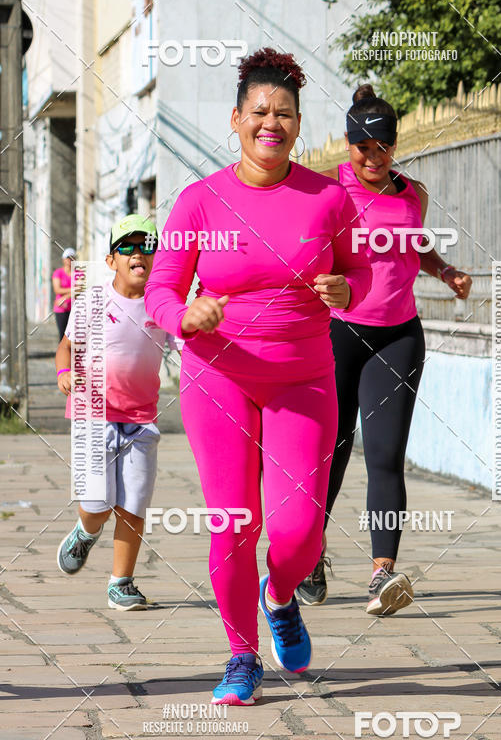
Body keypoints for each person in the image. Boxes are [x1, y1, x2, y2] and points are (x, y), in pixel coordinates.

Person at [145, 49, 372, 706]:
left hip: (304, 377)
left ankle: (280, 597)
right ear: (237, 120)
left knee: (300, 532)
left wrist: (343, 289)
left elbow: (362, 274)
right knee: (232, 523)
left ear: (298, 124)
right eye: (260, 113)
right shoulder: (200, 202)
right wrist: (187, 313)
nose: (272, 123)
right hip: (217, 377)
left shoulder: (328, 197)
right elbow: (161, 290)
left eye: (285, 114)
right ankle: (241, 656)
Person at [296, 84, 472, 615]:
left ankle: (383, 575)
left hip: (398, 335)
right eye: (364, 148)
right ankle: (309, 556)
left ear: (394, 145)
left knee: (386, 455)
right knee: (331, 450)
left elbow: (416, 244)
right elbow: (304, 251)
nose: (374, 158)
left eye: (383, 147)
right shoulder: (327, 190)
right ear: (348, 144)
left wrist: (444, 271)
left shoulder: (410, 192)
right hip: (337, 334)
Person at [55, 215, 181, 610]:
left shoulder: (163, 306)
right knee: (98, 506)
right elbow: (67, 345)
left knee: (133, 505)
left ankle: (121, 582)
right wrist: (64, 370)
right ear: (111, 260)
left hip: (141, 420)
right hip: (92, 414)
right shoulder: (93, 299)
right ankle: (85, 531)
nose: (138, 253)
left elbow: (188, 344)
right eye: (127, 246)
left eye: (146, 245)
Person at [52, 247, 75, 341]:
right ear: (63, 259)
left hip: (75, 308)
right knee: (63, 335)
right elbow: (57, 290)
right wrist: (73, 290)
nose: (69, 260)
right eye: (67, 257)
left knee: (74, 337)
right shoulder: (58, 273)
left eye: (71, 257)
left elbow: (80, 290)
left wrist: (64, 297)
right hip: (61, 309)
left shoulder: (79, 273)